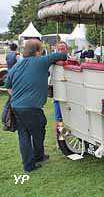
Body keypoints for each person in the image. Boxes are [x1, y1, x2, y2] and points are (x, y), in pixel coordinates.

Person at [4, 39, 67, 172]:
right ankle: (39, 156)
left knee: (24, 135)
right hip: (31, 107)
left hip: (16, 106)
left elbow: (7, 84)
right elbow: (61, 56)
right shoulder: (41, 61)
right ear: (38, 52)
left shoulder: (17, 65)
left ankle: (28, 165)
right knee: (39, 129)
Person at [53, 41, 67, 151]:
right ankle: (58, 143)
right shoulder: (52, 62)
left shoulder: (72, 60)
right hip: (58, 95)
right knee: (58, 120)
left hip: (71, 95)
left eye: (63, 49)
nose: (61, 51)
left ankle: (66, 142)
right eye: (59, 49)